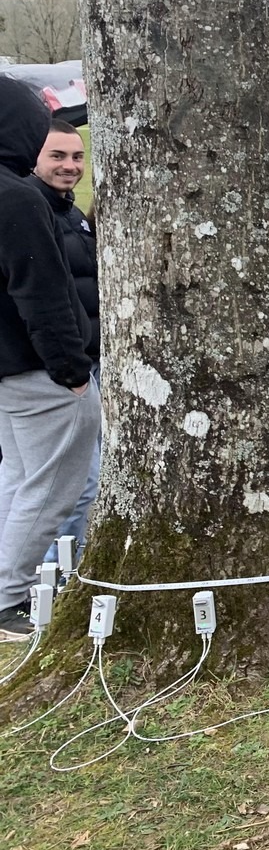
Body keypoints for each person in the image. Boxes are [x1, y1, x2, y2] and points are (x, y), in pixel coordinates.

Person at [0, 79, 98, 640]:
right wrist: (72, 370)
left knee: (16, 478)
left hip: (8, 370)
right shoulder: (15, 197)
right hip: (36, 369)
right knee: (54, 486)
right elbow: (41, 292)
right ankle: (9, 597)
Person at [31, 120, 99, 560]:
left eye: (76, 156)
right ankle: (47, 580)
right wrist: (69, 366)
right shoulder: (33, 211)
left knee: (84, 481)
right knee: (71, 484)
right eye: (57, 156)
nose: (70, 166)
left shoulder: (71, 212)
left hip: (87, 362)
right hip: (58, 371)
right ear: (34, 158)